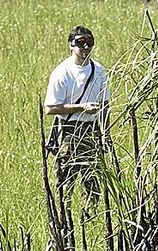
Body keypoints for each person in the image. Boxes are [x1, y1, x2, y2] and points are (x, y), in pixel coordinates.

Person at [44, 25, 110, 202]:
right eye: (80, 42)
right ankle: (65, 222)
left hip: (92, 130)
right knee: (65, 184)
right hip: (68, 131)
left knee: (93, 183)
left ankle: (90, 218)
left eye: (89, 42)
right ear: (71, 45)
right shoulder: (62, 72)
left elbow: (105, 104)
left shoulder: (99, 71)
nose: (85, 47)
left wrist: (106, 134)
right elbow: (50, 108)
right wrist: (82, 108)